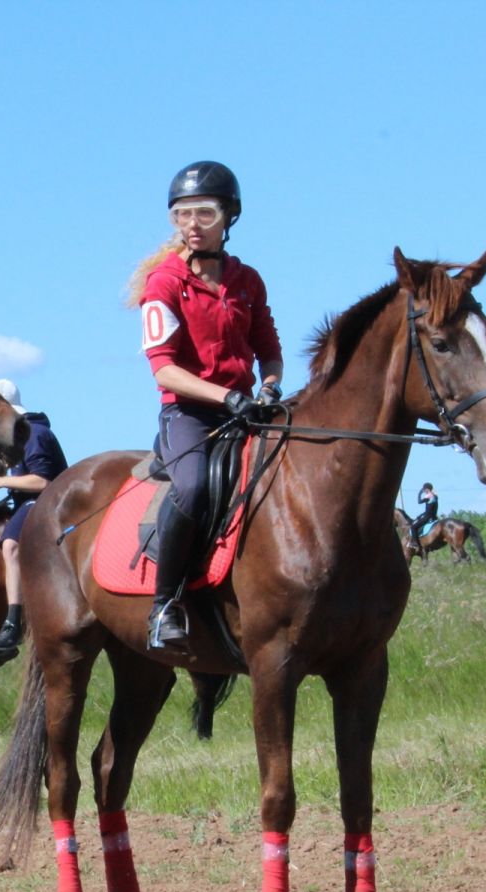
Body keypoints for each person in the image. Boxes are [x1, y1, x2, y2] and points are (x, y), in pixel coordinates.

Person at [129, 161, 283, 654]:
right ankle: (164, 606)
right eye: (182, 215)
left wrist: (271, 388)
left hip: (245, 409)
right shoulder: (164, 284)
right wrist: (227, 396)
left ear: (229, 217)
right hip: (189, 414)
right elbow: (165, 371)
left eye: (204, 213)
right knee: (193, 487)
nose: (192, 224)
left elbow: (269, 351)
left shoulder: (248, 281)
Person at [0, 378, 68, 668]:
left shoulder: (34, 434)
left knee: (11, 545)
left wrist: (0, 481)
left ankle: (13, 624)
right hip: (27, 501)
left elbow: (42, 480)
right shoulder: (21, 435)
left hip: (47, 502)